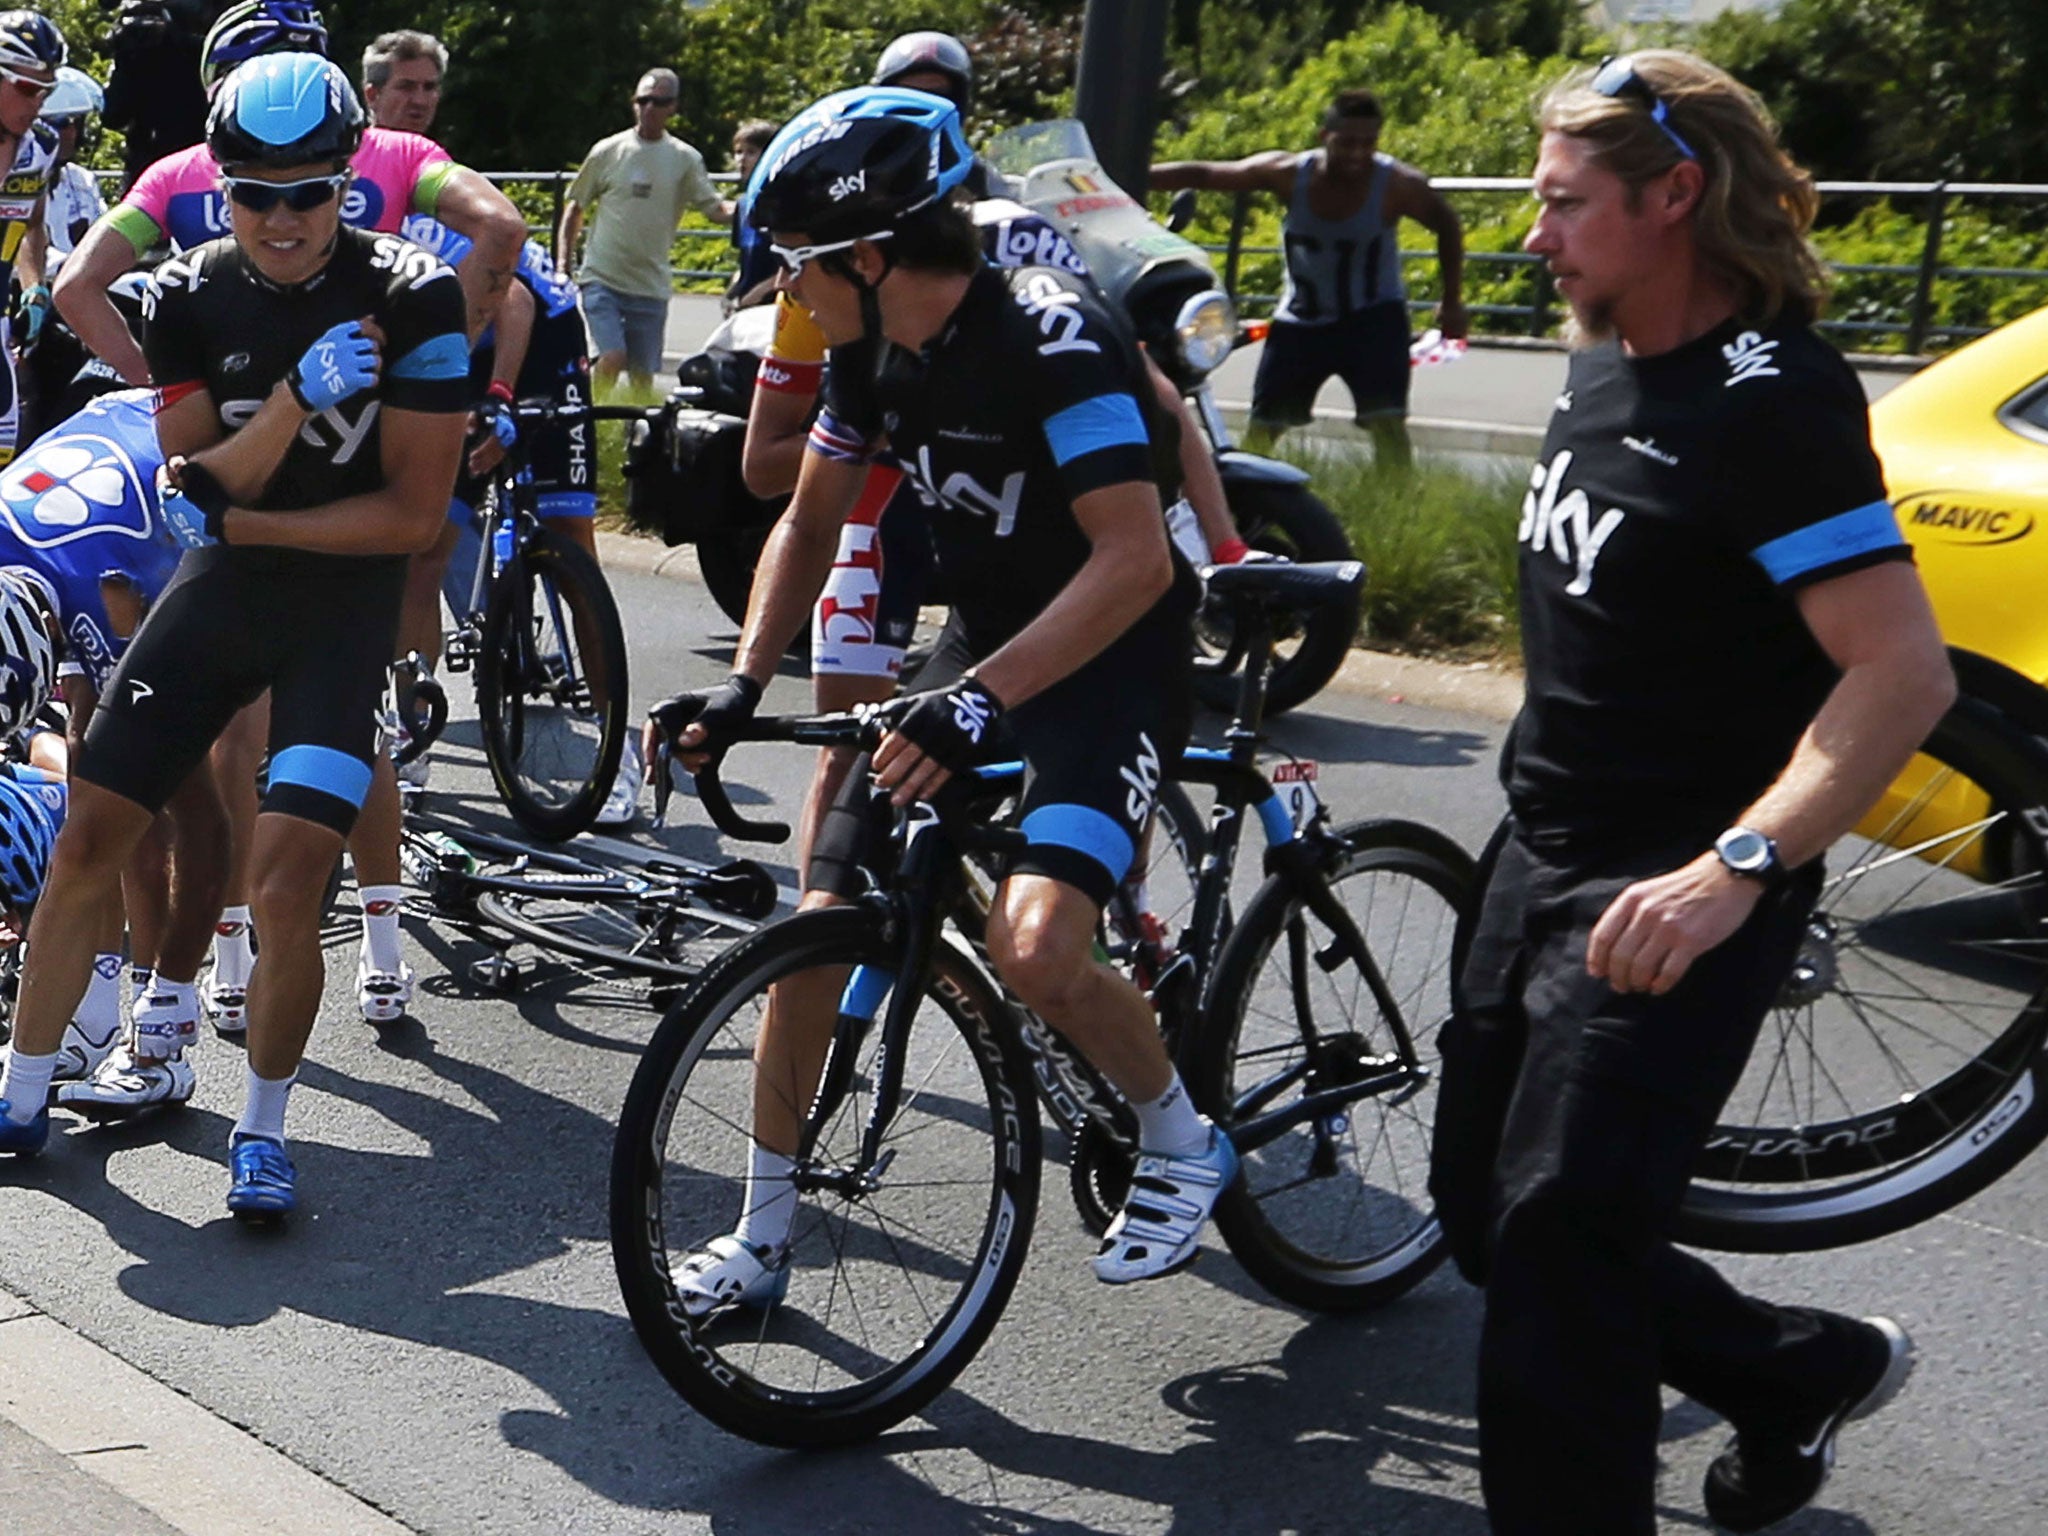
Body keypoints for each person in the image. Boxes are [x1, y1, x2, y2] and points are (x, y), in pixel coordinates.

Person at [1425, 50, 1953, 1535]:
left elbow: (1900, 675)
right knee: (1484, 1221)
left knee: (1559, 1258)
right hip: (1537, 851)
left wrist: (1737, 868)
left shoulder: (1772, 403)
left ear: (1675, 195)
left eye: (1564, 206)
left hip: (1679, 884)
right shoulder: (1604, 360)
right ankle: (1799, 1372)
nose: (1535, 239)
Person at [646, 87, 1233, 1312]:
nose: (783, 293)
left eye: (798, 266)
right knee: (812, 924)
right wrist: (746, 681)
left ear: (870, 255)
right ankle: (760, 1236)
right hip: (976, 642)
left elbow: (1133, 563)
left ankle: (1179, 1137)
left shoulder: (1054, 338)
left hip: (1106, 650)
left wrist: (979, 703)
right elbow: (803, 523)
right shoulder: (868, 350)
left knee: (1033, 949)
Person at [0, 54, 469, 1224]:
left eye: (307, 191)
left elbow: (412, 520)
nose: (280, 219)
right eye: (254, 191)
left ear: (347, 178)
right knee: (90, 839)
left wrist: (245, 499)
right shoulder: (184, 293)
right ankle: (18, 1094)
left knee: (284, 878)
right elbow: (195, 485)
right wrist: (303, 411)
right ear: (222, 184)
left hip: (339, 615)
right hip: (219, 593)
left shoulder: (416, 295)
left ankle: (263, 1131)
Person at [0, 387, 229, 1112]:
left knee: (158, 795)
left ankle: (162, 1025)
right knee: (92, 783)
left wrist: (166, 991)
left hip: (199, 503)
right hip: (122, 438)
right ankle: (93, 1007)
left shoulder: (114, 599)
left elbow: (185, 813)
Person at [1150, 87, 1468, 463]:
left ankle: (1399, 505)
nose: (1357, 154)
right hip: (1301, 320)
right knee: (1265, 426)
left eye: (1368, 144)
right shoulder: (1288, 175)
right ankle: (1249, 505)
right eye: (1346, 143)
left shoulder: (1396, 185)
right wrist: (1130, 174)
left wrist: (1451, 301)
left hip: (1373, 318)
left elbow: (1447, 224)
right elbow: (1206, 173)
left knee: (1387, 423)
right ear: (1324, 138)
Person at [556, 68, 733, 393]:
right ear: (634, 103)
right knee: (610, 357)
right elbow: (575, 207)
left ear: (673, 107)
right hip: (602, 278)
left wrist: (756, 203)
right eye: (643, 100)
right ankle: (587, 425)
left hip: (650, 286)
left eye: (659, 101)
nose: (649, 108)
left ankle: (630, 439)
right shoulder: (608, 151)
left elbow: (716, 210)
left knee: (642, 380)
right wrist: (563, 266)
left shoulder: (685, 159)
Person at [16, 63, 106, 446]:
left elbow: (102, 232)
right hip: (31, 305)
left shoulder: (82, 181)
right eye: (68, 122)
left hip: (84, 297)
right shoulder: (15, 178)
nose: (75, 132)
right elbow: (27, 241)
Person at [0, 10, 63, 472]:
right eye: (27, 88)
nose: (38, 101)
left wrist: (35, 285)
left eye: (48, 90)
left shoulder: (41, 146)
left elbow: (33, 222)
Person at [360, 29, 440, 138]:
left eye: (429, 87)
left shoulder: (437, 154)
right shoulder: (347, 153)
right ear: (372, 95)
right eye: (406, 87)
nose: (420, 101)